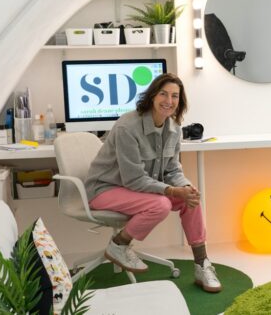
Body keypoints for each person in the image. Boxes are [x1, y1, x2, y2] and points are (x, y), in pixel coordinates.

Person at [84, 73, 221, 293]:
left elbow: (172, 170)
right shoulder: (127, 127)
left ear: (180, 101)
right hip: (105, 189)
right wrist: (172, 190)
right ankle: (118, 245)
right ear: (152, 96)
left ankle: (202, 265)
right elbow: (133, 179)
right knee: (161, 204)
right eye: (163, 94)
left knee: (191, 199)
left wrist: (185, 188)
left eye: (175, 96)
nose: (169, 100)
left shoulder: (174, 128)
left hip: (139, 190)